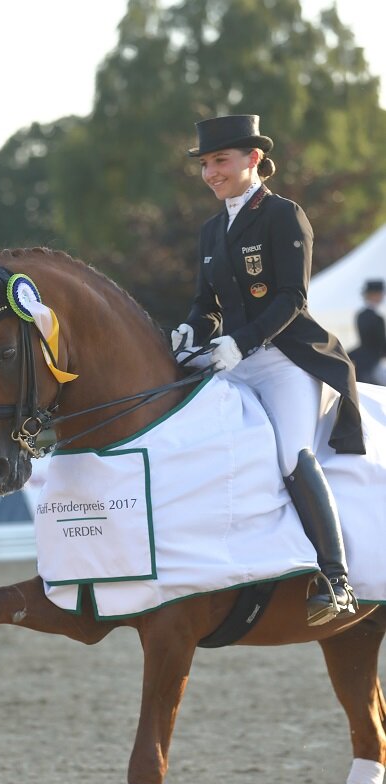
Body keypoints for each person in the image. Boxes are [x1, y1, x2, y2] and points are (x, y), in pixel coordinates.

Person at [171, 113, 364, 626]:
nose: (211, 173)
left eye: (221, 161)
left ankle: (337, 579)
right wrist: (190, 329)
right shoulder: (212, 230)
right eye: (205, 164)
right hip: (234, 361)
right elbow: (205, 304)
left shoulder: (283, 215)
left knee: (290, 455)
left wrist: (243, 340)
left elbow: (292, 297)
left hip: (286, 362)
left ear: (253, 158)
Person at [350, 279, 386, 384]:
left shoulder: (360, 315)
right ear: (374, 295)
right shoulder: (376, 318)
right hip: (372, 362)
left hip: (364, 359)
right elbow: (379, 342)